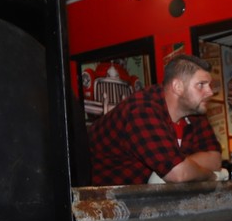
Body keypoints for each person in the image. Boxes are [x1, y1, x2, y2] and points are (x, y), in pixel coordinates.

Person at [87, 52, 223, 185]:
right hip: (103, 197)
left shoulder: (194, 110)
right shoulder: (142, 109)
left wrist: (182, 164)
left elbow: (215, 160)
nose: (210, 92)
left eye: (209, 85)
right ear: (178, 87)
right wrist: (210, 175)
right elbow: (178, 174)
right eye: (201, 85)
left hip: (145, 197)